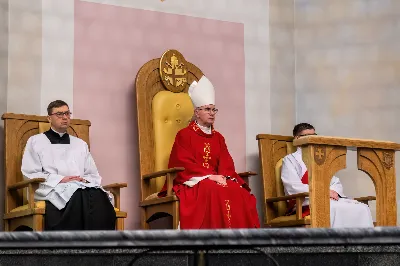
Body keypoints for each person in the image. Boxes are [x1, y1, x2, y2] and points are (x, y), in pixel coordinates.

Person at [158, 76, 260, 229]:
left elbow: (226, 162)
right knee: (212, 189)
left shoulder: (218, 137)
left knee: (238, 191)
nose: (212, 113)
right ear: (197, 112)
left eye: (213, 109)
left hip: (217, 178)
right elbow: (182, 162)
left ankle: (241, 243)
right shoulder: (184, 135)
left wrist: (225, 177)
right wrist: (210, 176)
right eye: (207, 109)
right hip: (194, 181)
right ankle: (212, 242)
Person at [21, 100, 116, 230]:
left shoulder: (80, 144)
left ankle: (99, 244)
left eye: (67, 113)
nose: (65, 117)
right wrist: (61, 179)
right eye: (59, 114)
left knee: (96, 193)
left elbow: (92, 173)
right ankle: (70, 244)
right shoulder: (35, 141)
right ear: (49, 118)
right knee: (78, 194)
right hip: (51, 187)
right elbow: (30, 173)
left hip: (80, 186)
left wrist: (84, 179)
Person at [281, 122, 374, 228]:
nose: (312, 139)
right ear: (297, 138)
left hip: (328, 199)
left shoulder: (320, 159)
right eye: (308, 136)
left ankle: (362, 244)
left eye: (314, 136)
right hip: (306, 201)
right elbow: (292, 186)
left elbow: (333, 180)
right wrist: (323, 192)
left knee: (361, 208)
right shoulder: (290, 160)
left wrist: (332, 192)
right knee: (335, 209)